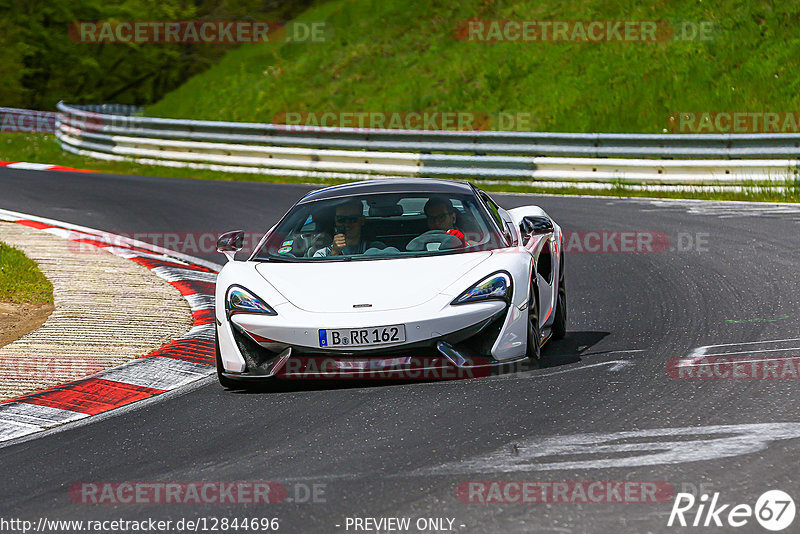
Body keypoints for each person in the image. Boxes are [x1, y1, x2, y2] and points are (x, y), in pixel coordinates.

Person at [314, 200, 385, 256]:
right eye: (341, 219)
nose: (347, 224)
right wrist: (334, 252)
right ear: (336, 220)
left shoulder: (378, 249)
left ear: (362, 220)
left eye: (352, 219)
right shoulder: (322, 254)